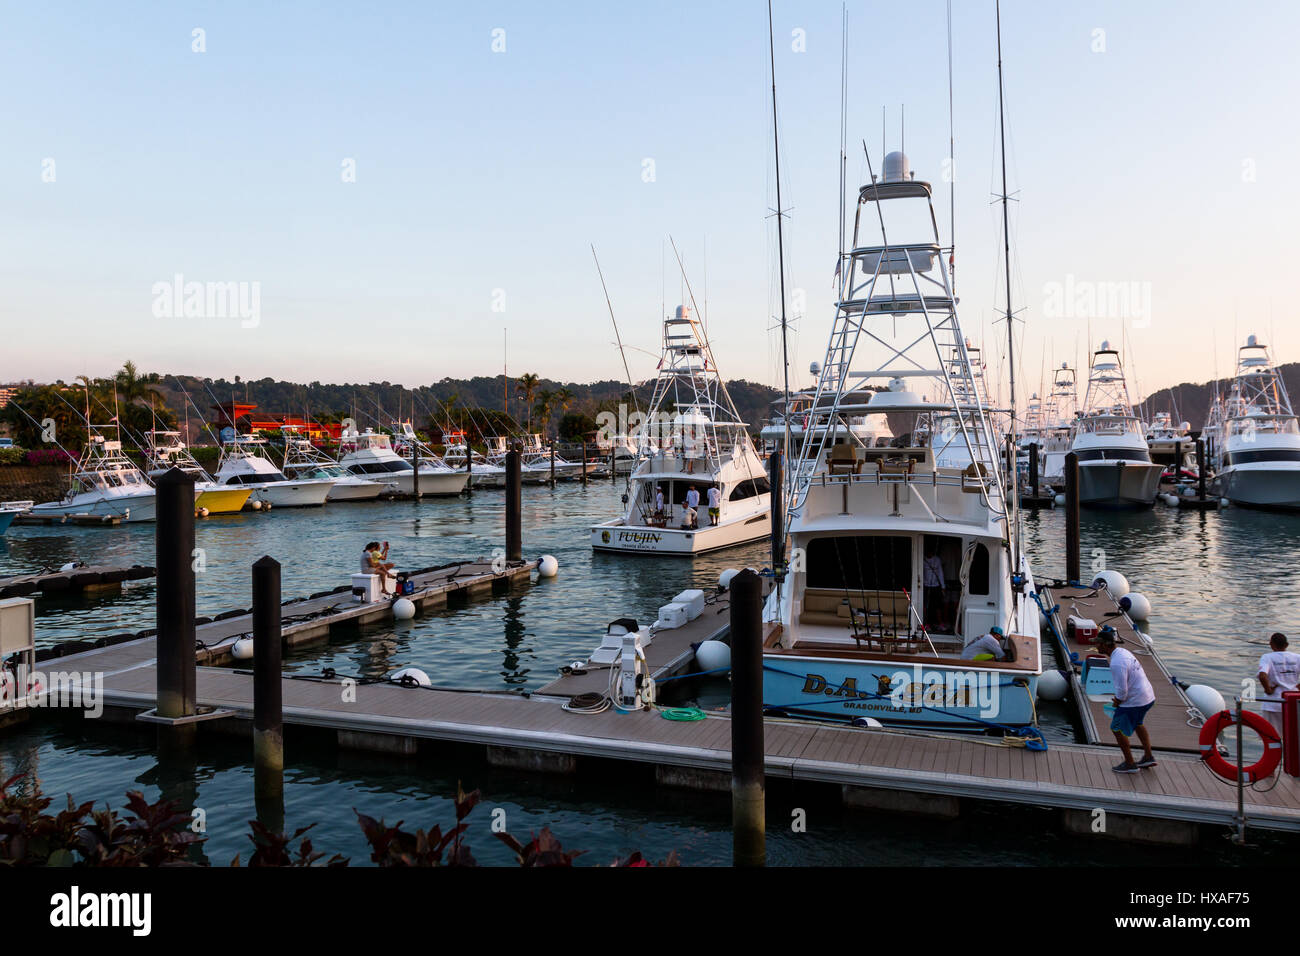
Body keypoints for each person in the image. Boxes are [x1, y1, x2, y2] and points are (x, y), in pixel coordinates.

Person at [1095, 626, 1157, 773]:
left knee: (1116, 728)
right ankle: (1148, 757)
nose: (1096, 646)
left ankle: (1130, 764)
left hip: (1135, 701)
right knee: (1138, 723)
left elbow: (1122, 692)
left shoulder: (1116, 663)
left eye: (1098, 643)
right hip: (1148, 697)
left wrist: (1116, 703)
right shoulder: (1123, 652)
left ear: (1105, 645)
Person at [1257, 632, 1300, 735]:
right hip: (1293, 702)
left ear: (1271, 644)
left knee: (1272, 736)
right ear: (1286, 645)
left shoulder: (1267, 657)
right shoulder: (1297, 657)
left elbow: (1262, 675)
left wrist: (1268, 690)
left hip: (1273, 703)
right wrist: (1297, 687)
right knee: (1293, 735)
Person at [923, 546, 946, 631]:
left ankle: (940, 623)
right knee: (926, 606)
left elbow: (940, 573)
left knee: (937, 606)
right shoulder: (922, 560)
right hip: (926, 586)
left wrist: (943, 587)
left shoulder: (937, 560)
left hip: (935, 586)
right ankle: (926, 623)